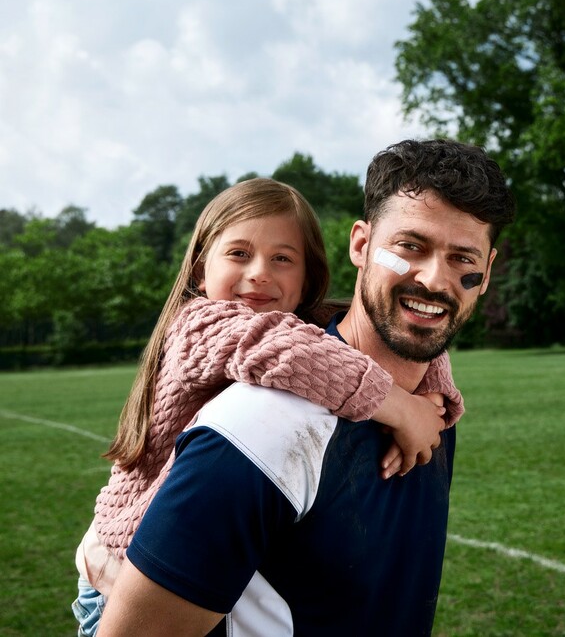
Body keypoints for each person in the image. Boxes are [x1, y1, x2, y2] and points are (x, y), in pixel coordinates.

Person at [96, 138, 515, 637]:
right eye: (410, 246)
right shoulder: (256, 429)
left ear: (486, 273)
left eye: (462, 259)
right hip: (118, 544)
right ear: (361, 245)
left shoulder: (429, 408)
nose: (433, 278)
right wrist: (400, 406)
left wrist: (436, 402)